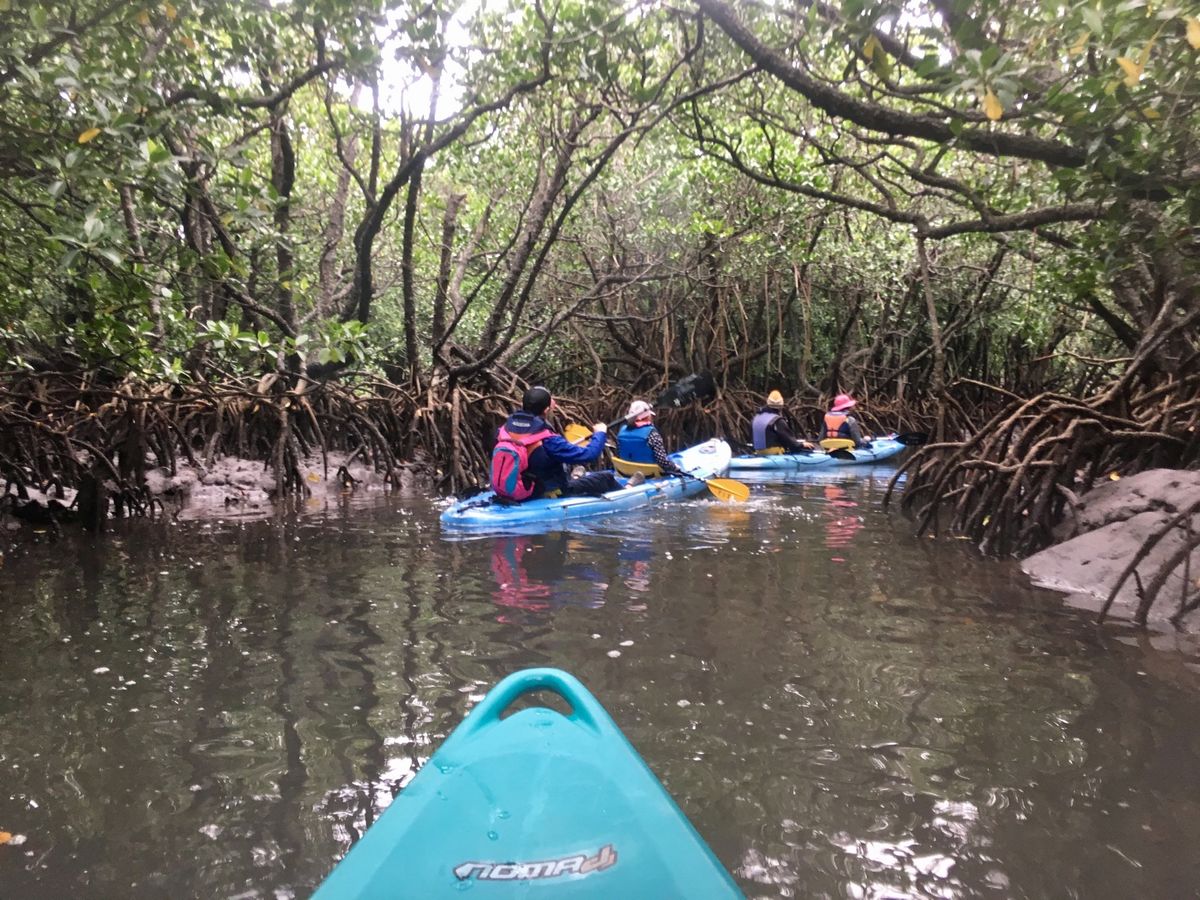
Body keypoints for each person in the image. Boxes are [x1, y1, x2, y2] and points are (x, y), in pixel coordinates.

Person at [497, 386, 625, 499]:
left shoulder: (504, 431)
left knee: (571, 475)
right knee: (606, 477)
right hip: (550, 492)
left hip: (522, 487)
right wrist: (600, 433)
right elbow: (589, 454)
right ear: (546, 410)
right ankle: (629, 489)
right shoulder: (549, 440)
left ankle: (576, 476)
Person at [616, 400, 684, 476]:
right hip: (649, 475)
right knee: (679, 463)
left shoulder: (621, 432)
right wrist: (675, 468)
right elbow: (662, 461)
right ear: (647, 416)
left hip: (627, 473)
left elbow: (619, 454)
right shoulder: (652, 434)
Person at [751, 390, 814, 454]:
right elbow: (790, 441)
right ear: (781, 405)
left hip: (758, 452)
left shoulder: (756, 418)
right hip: (774, 453)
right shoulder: (778, 420)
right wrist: (802, 445)